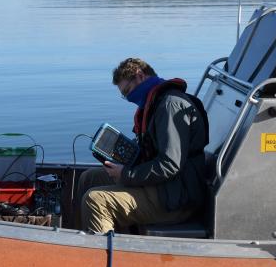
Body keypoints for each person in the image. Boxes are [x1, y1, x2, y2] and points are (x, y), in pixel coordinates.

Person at [77, 57, 209, 233]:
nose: (128, 97)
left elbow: (169, 165)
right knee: (89, 177)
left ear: (139, 76)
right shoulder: (155, 103)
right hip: (165, 186)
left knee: (95, 200)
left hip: (176, 198)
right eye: (124, 95)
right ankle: (77, 241)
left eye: (128, 90)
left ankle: (105, 258)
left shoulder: (170, 106)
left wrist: (126, 174)